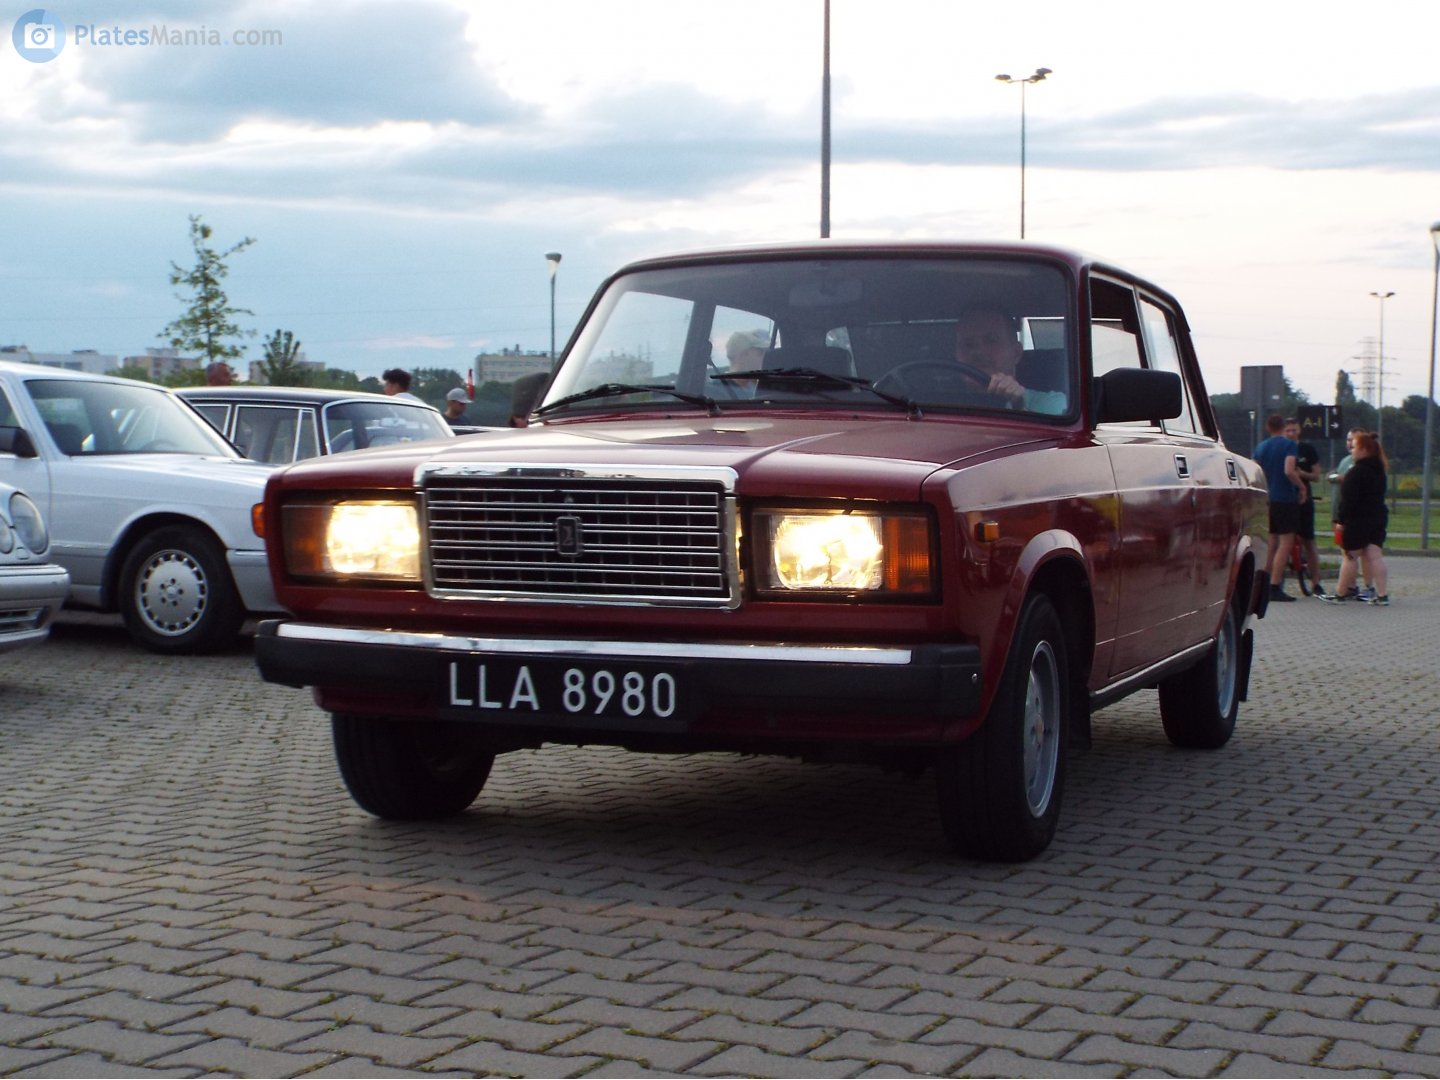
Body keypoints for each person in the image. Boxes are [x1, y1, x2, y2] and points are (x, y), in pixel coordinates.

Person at [953, 309, 1066, 415]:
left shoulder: (1053, 405)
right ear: (956, 355)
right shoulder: (938, 405)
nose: (978, 351)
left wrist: (1018, 406)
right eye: (968, 344)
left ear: (1016, 353)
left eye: (991, 340)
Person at [1322, 430, 1390, 605]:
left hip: (1358, 520)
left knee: (1350, 556)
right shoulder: (1380, 470)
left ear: (1364, 450)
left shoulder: (1356, 472)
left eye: (1355, 447)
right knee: (1375, 556)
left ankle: (1341, 593)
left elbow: (1349, 500)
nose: (1352, 450)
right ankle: (1382, 595)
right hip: (1377, 517)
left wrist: (1341, 520)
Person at [1252, 413, 1307, 603]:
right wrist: (1301, 486)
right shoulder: (1289, 445)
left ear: (1268, 427)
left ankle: (1263, 584)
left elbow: (1255, 471)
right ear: (1283, 427)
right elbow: (1289, 470)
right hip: (1285, 498)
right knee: (1285, 543)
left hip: (1268, 499)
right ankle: (1275, 585)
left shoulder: (1261, 447)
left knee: (1271, 543)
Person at [1328, 427, 1375, 600]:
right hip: (1340, 510)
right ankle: (1351, 584)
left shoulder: (1363, 464)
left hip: (1354, 515)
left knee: (1359, 552)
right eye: (1348, 440)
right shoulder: (1345, 460)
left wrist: (1342, 478)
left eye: (1353, 441)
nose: (1349, 444)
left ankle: (1364, 587)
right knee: (1346, 551)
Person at [1284, 418, 1324, 596]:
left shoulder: (1308, 449)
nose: (1291, 434)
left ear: (1299, 430)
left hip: (1304, 499)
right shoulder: (1281, 449)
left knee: (1309, 541)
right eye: (1288, 431)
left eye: (1294, 430)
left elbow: (1316, 475)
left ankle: (1316, 582)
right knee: (1283, 542)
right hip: (1285, 499)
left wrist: (1302, 474)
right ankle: (1277, 582)